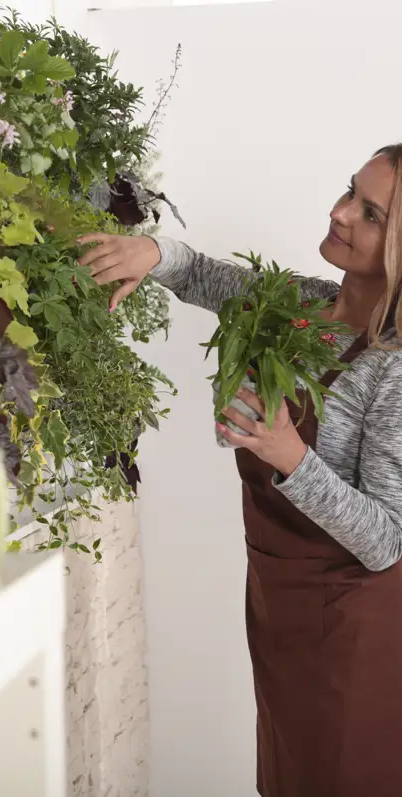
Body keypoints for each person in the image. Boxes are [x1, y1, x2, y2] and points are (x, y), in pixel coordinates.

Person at [78, 144, 402, 797]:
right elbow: (202, 275)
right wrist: (151, 254)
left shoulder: (391, 367)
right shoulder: (297, 303)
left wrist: (289, 454)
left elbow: (387, 538)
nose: (339, 213)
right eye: (348, 192)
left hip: (352, 628)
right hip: (280, 602)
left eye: (369, 214)